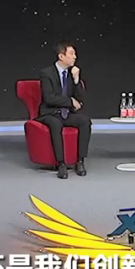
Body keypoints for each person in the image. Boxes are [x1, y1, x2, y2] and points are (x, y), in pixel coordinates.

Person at [37, 41, 91, 179]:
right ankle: (61, 163)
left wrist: (76, 80)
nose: (75, 57)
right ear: (61, 56)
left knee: (85, 121)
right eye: (71, 54)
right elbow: (49, 98)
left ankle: (80, 161)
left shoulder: (72, 73)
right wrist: (70, 101)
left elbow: (80, 99)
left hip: (67, 113)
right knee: (56, 123)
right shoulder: (46, 73)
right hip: (50, 113)